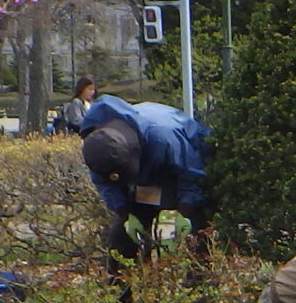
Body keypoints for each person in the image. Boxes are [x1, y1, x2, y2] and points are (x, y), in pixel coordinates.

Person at [76, 94, 212, 263]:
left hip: (183, 169)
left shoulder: (165, 138)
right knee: (121, 238)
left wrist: (184, 211)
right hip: (145, 178)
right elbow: (106, 184)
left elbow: (192, 175)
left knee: (198, 233)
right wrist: (125, 214)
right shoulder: (98, 146)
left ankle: (199, 284)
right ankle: (124, 285)